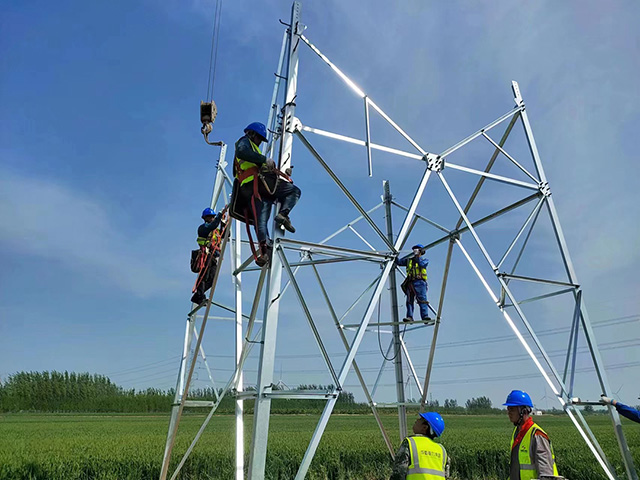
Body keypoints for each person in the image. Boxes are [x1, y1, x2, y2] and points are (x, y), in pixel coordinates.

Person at [233, 122, 301, 266]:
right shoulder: (244, 142)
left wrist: (282, 172)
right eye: (259, 138)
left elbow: (259, 165)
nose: (259, 142)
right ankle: (283, 214)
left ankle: (265, 251)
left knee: (261, 222)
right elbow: (242, 152)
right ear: (252, 134)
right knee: (294, 191)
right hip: (256, 185)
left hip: (255, 188)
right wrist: (265, 160)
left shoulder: (254, 149)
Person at [504, 390, 559, 480]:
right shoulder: (517, 432)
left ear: (523, 411)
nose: (509, 413)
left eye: (512, 409)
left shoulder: (537, 435)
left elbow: (546, 474)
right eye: (508, 409)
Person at [390, 412, 450, 480]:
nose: (417, 420)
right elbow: (446, 476)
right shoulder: (441, 450)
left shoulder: (410, 443)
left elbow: (399, 473)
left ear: (425, 427)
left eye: (421, 419)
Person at [190, 206, 226, 305]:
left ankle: (198, 296)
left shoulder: (215, 231)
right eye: (210, 217)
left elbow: (225, 234)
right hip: (206, 255)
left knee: (212, 280)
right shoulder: (203, 228)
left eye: (213, 217)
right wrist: (220, 214)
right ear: (205, 218)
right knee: (204, 276)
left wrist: (223, 224)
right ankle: (200, 296)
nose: (212, 218)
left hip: (214, 257)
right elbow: (213, 225)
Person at [396, 244, 431, 323]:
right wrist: (394, 256)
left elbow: (421, 264)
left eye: (417, 249)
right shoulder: (409, 260)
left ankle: (425, 316)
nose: (415, 250)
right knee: (409, 301)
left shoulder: (425, 260)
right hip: (410, 283)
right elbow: (399, 262)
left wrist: (418, 256)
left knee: (422, 300)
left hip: (420, 282)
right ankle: (409, 317)